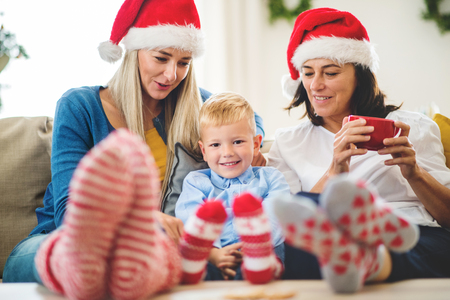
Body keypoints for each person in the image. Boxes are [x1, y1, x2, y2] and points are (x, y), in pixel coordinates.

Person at [2, 0, 267, 297]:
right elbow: (68, 212)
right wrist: (143, 218)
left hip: (151, 244)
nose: (171, 75)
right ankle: (94, 268)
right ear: (134, 51)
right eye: (161, 58)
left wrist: (250, 148)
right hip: (64, 238)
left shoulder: (191, 104)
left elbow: (250, 118)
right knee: (66, 252)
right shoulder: (80, 106)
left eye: (184, 63)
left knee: (205, 258)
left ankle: (128, 270)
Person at [267, 7, 450, 293]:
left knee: (429, 245)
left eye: (330, 72)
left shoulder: (413, 127)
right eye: (307, 73)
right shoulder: (288, 142)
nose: (316, 85)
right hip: (328, 236)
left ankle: (367, 254)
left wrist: (415, 173)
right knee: (304, 221)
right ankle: (358, 252)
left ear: (359, 75)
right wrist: (335, 169)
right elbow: (289, 224)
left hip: (409, 232)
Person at [175, 92, 290, 283]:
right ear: (203, 151)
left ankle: (259, 267)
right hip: (213, 258)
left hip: (263, 253)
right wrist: (214, 253)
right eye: (215, 145)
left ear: (255, 144)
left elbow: (277, 218)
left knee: (274, 251)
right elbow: (189, 220)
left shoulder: (271, 178)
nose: (227, 152)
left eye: (237, 142)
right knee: (193, 255)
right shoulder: (195, 182)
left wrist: (253, 247)